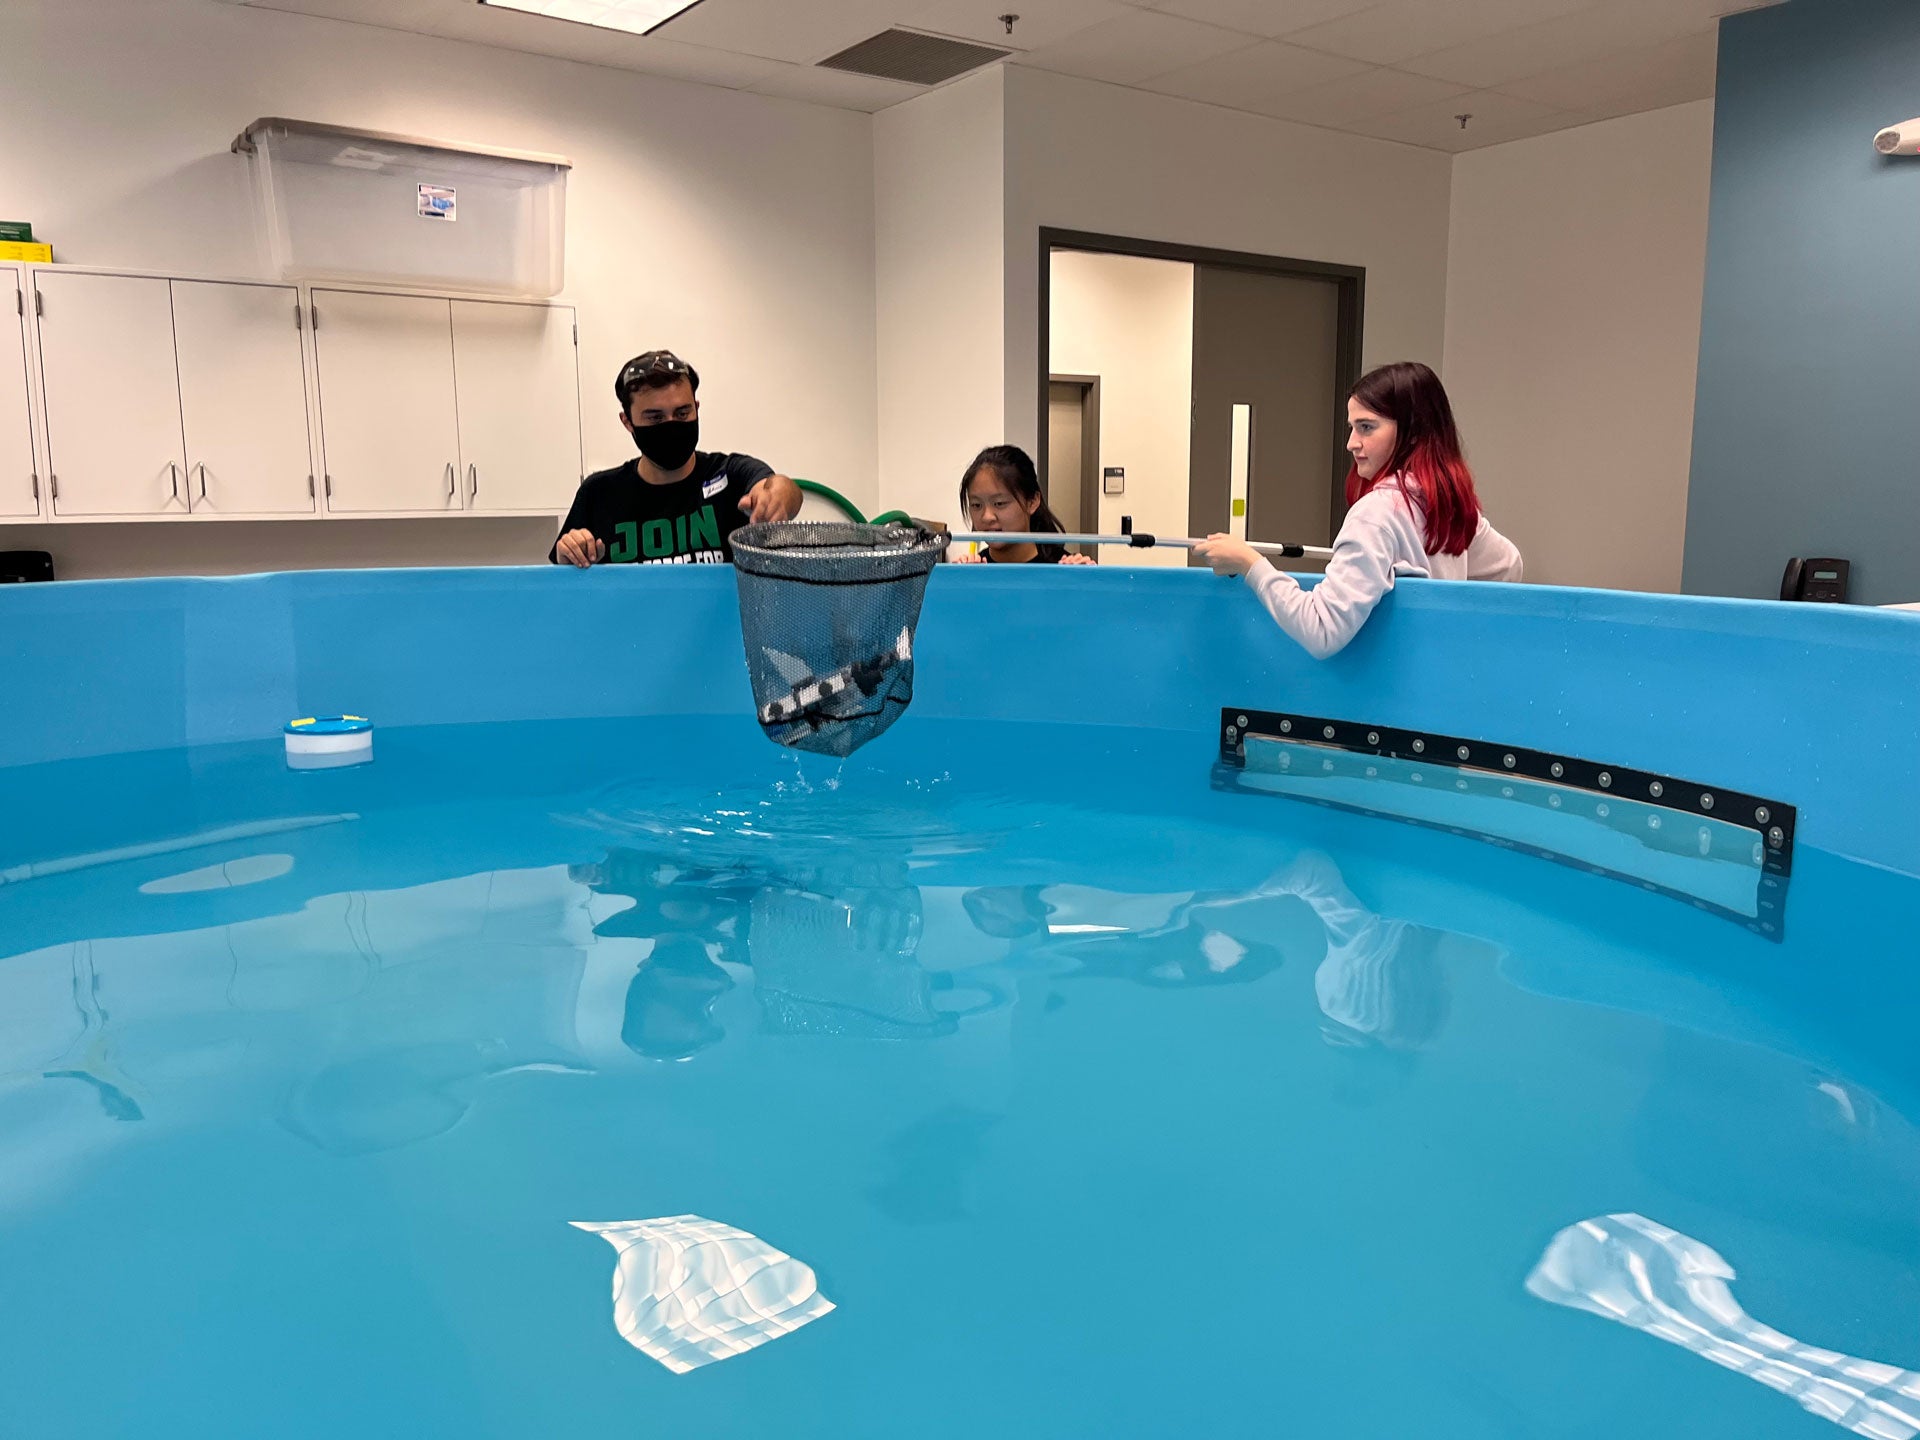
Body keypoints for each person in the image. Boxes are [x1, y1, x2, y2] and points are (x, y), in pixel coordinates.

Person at [1192, 362, 1521, 657]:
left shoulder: (1376, 514)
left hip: (1379, 706)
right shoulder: (1447, 507)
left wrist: (1250, 563)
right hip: (1434, 694)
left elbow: (1321, 630)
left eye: (1367, 427)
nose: (1351, 443)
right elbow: (1507, 566)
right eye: (1352, 427)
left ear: (1412, 431)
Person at [551, 350, 801, 567]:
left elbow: (779, 487)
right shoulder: (599, 492)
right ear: (627, 422)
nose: (671, 425)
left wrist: (779, 497)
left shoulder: (730, 474)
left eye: (682, 413)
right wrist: (570, 555)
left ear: (696, 408)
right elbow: (564, 582)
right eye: (655, 418)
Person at [950, 445, 1094, 565]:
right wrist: (961, 584)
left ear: (1032, 501)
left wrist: (1086, 583)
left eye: (999, 503)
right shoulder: (974, 571)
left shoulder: (1063, 568)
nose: (987, 517)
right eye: (976, 505)